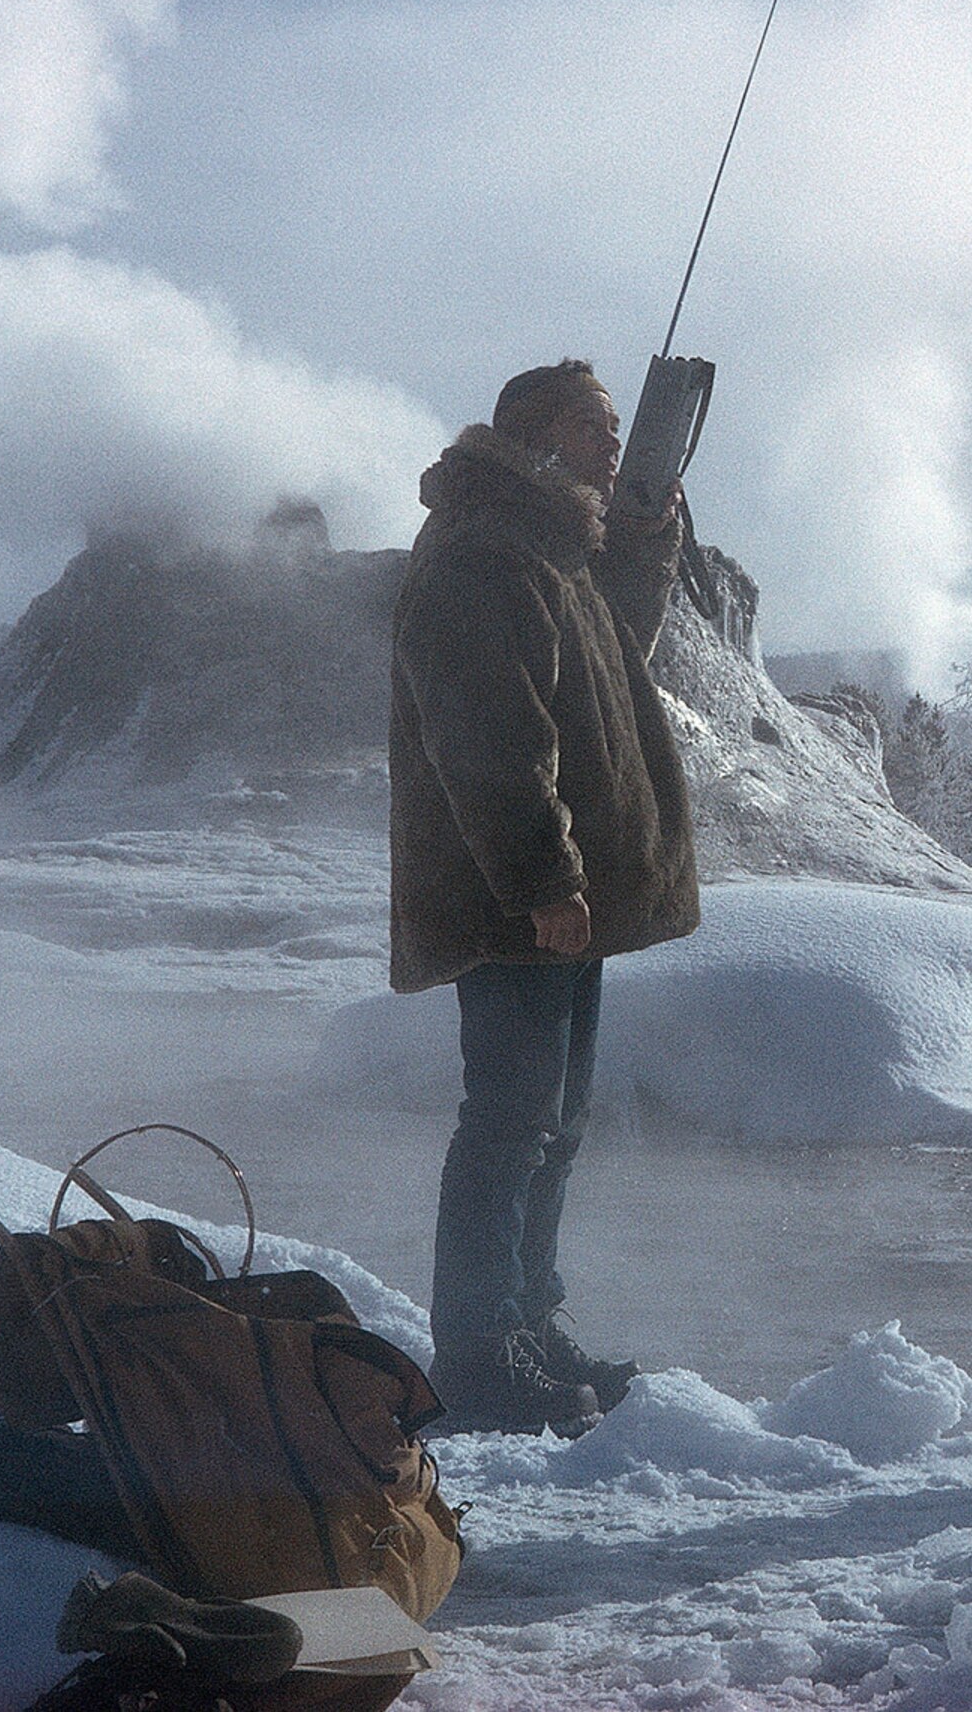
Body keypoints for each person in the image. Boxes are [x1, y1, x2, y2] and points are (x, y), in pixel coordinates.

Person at [389, 358, 700, 1432]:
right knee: (509, 1121)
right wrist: (543, 878)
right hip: (510, 898)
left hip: (558, 900)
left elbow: (617, 651)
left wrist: (647, 533)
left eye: (616, 430)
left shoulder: (547, 551)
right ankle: (479, 1349)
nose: (611, 446)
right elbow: (491, 740)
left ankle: (529, 1320)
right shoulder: (483, 551)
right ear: (533, 435)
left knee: (551, 1121)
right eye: (592, 426)